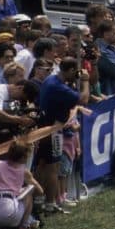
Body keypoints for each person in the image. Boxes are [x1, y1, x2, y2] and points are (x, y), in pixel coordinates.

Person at [36, 58, 90, 214]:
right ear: (71, 70)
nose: (78, 75)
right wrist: (85, 81)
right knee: (53, 167)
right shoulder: (58, 86)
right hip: (53, 130)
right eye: (76, 72)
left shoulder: (50, 80)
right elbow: (83, 99)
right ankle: (50, 203)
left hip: (45, 127)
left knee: (42, 164)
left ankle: (39, 199)